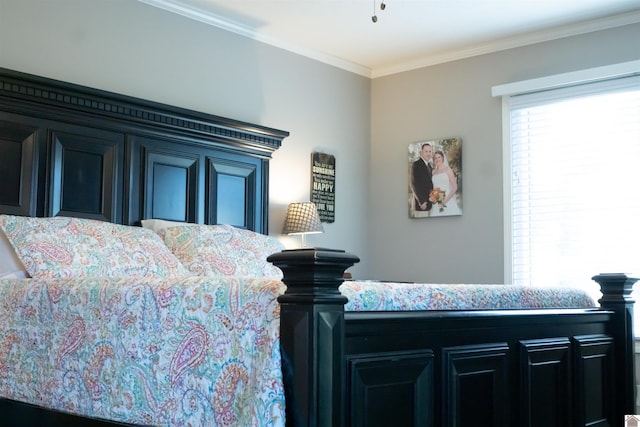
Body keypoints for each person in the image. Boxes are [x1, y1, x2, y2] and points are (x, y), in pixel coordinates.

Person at [430, 149, 461, 216]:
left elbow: (455, 187)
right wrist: (433, 196)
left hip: (447, 199)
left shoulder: (448, 170)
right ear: (434, 160)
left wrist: (445, 201)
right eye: (435, 158)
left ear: (442, 158)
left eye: (439, 157)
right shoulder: (433, 172)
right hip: (435, 202)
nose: (437, 159)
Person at [410, 143, 433, 212]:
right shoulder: (416, 164)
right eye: (426, 151)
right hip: (421, 205)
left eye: (430, 151)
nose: (428, 153)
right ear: (421, 152)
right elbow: (413, 184)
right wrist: (421, 201)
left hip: (429, 204)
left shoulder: (429, 166)